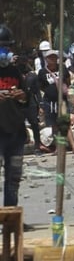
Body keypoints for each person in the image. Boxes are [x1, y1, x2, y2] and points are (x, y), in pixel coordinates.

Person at [0, 25, 27, 207]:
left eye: (7, 48)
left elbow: (27, 99)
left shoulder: (15, 72)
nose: (5, 52)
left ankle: (11, 218)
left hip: (16, 133)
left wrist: (21, 96)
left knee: (13, 178)